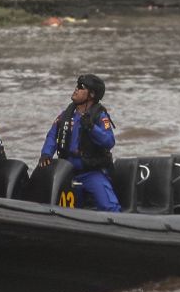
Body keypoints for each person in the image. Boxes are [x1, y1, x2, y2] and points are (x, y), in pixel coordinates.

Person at [39, 74, 120, 212]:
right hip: (67, 172)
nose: (76, 89)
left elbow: (109, 141)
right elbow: (52, 135)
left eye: (81, 87)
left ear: (92, 94)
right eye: (76, 86)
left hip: (91, 173)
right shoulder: (66, 115)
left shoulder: (100, 117)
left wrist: (91, 128)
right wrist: (46, 153)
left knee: (109, 207)